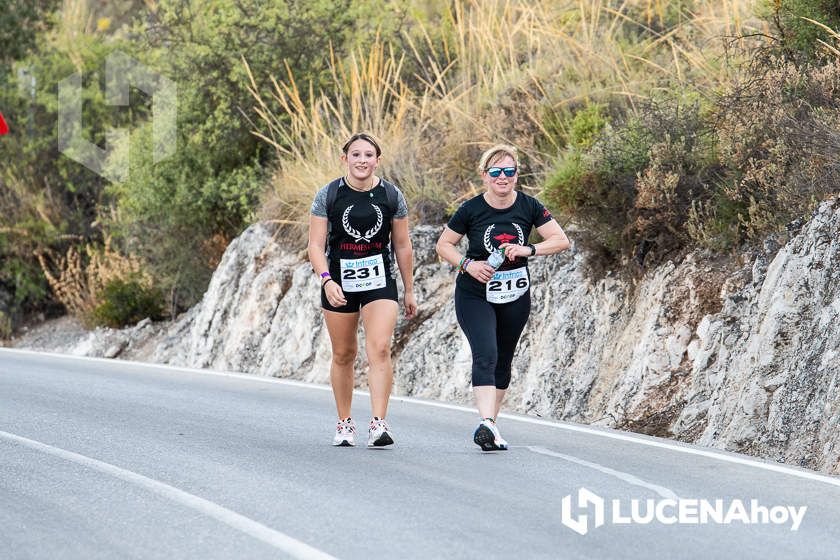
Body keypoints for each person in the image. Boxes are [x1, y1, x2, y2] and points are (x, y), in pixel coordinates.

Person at [435, 144, 570, 451]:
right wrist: (469, 264)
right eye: (495, 171)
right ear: (484, 176)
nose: (502, 177)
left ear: (516, 175)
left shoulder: (529, 206)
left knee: (504, 360)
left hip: (515, 292)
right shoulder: (471, 209)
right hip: (475, 293)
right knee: (486, 352)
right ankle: (485, 421)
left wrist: (529, 249)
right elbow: (444, 245)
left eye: (509, 171)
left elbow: (561, 240)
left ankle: (491, 427)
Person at [308, 133, 417, 448]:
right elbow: (315, 246)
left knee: (379, 348)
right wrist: (327, 280)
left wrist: (409, 289)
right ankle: (344, 424)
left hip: (379, 280)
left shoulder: (392, 195)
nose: (362, 160)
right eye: (355, 154)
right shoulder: (328, 195)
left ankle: (379, 424)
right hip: (338, 281)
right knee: (344, 354)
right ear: (345, 159)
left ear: (377, 160)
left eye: (368, 155)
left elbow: (402, 244)